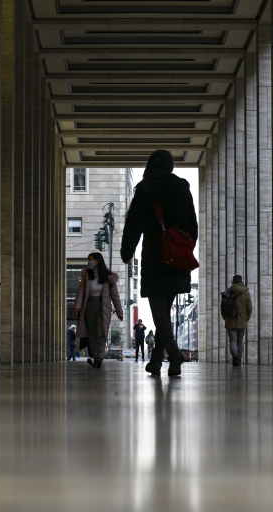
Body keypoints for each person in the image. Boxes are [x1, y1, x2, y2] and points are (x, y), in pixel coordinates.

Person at [121, 149, 198, 376]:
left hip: (155, 255)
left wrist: (127, 251)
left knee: (159, 308)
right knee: (164, 309)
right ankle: (157, 361)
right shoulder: (182, 187)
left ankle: (173, 353)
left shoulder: (146, 188)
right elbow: (192, 225)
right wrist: (185, 247)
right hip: (177, 256)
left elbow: (133, 224)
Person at [73, 252, 124, 369]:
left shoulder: (108, 277)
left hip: (103, 306)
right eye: (88, 260)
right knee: (91, 333)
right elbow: (80, 292)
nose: (89, 263)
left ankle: (99, 357)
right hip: (89, 305)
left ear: (98, 261)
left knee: (101, 332)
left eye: (91, 260)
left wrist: (119, 312)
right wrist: (77, 306)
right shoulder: (87, 276)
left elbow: (115, 296)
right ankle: (96, 357)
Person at [221, 275, 253, 366]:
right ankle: (238, 358)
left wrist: (225, 317)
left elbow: (222, 306)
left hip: (230, 320)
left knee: (232, 340)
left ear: (233, 282)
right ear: (241, 281)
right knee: (240, 340)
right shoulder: (246, 292)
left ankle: (234, 355)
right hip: (242, 320)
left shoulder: (228, 291)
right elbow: (249, 307)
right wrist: (247, 317)